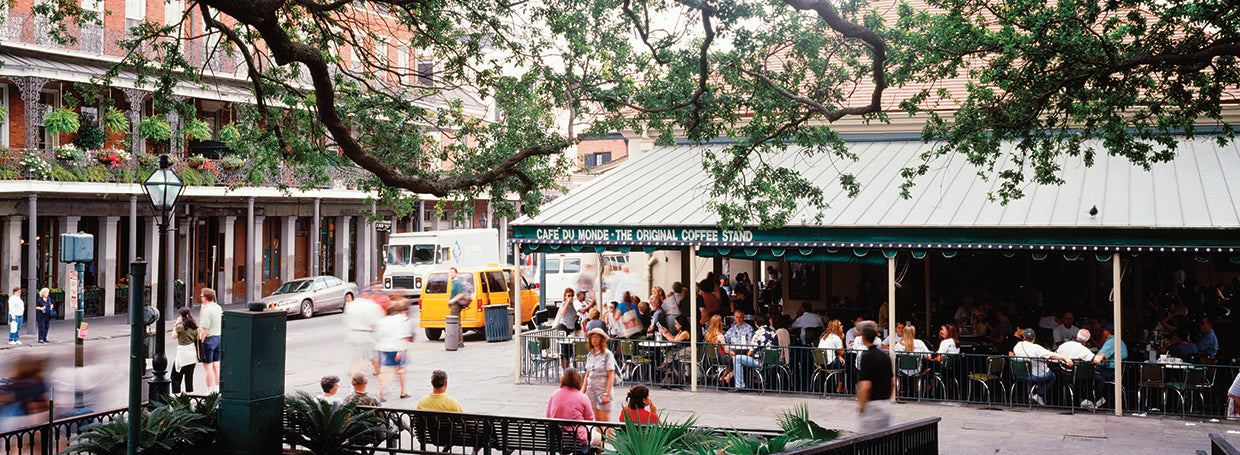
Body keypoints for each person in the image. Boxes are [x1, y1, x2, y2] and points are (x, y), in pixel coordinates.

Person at [1012, 328, 1073, 406]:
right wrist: (1065, 358)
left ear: (1024, 336)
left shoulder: (1018, 345)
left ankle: (1031, 393)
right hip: (1035, 375)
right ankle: (1039, 394)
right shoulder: (1036, 348)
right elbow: (1051, 355)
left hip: (1021, 374)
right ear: (1034, 338)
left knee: (1032, 375)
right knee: (1052, 376)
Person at [856, 321, 894, 433]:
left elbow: (865, 386)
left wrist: (861, 407)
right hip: (885, 405)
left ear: (863, 337)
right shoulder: (885, 356)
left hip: (873, 406)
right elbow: (892, 382)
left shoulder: (866, 357)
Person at [374, 299, 413, 401]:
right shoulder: (403, 319)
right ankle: (403, 391)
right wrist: (399, 351)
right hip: (397, 348)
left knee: (383, 370)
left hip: (382, 348)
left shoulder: (381, 321)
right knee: (401, 369)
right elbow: (402, 336)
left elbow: (377, 335)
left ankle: (380, 392)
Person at [344, 286, 386, 378]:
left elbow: (346, 320)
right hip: (366, 335)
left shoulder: (351, 305)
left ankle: (353, 387)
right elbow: (375, 323)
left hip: (352, 334)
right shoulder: (372, 305)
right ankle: (383, 385)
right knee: (374, 359)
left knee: (356, 361)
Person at [546, 368, 594, 449]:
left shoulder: (555, 395)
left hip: (556, 438)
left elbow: (548, 417)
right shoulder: (582, 397)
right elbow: (590, 419)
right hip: (576, 438)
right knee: (599, 438)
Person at [0, 356, 49, 432]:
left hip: (15, 420)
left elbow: (10, 397)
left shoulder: (27, 384)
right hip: (21, 420)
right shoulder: (38, 382)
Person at [730, 313, 776, 389]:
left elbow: (750, 352)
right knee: (761, 356)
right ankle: (762, 382)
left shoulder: (758, 333)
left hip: (760, 362)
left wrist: (748, 354)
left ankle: (739, 385)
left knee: (737, 358)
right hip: (772, 362)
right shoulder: (773, 332)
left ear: (756, 323)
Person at [1055, 329, 1098, 408]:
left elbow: (1054, 355)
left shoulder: (1064, 345)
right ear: (1087, 340)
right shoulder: (1084, 350)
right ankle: (1088, 400)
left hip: (1063, 375)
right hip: (1078, 379)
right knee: (1094, 377)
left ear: (1077, 335)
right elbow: (1095, 360)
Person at [582, 328, 617, 422]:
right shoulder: (590, 354)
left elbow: (611, 375)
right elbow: (587, 374)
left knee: (604, 418)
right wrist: (583, 391)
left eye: (597, 337)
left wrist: (607, 393)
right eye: (592, 337)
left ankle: (608, 436)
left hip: (602, 388)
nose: (594, 339)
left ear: (601, 339)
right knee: (596, 418)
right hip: (591, 388)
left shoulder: (607, 354)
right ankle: (599, 436)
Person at [198, 288, 223, 393]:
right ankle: (217, 388)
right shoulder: (218, 307)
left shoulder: (207, 310)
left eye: (202, 296)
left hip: (208, 339)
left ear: (206, 297)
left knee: (207, 366)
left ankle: (209, 390)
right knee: (216, 365)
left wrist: (200, 342)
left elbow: (204, 328)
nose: (200, 298)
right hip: (218, 337)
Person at [170, 307, 199, 395]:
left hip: (182, 354)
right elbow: (199, 338)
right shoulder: (195, 327)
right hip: (192, 354)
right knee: (189, 376)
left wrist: (175, 325)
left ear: (181, 316)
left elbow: (174, 336)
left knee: (175, 376)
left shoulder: (180, 327)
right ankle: (188, 396)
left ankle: (177, 396)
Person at [446, 267, 470, 349]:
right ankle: (458, 342)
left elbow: (460, 294)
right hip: (453, 306)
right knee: (455, 323)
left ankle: (459, 342)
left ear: (456, 273)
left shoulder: (457, 283)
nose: (451, 274)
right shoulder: (453, 282)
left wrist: (452, 301)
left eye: (452, 272)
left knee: (456, 324)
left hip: (455, 305)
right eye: (450, 272)